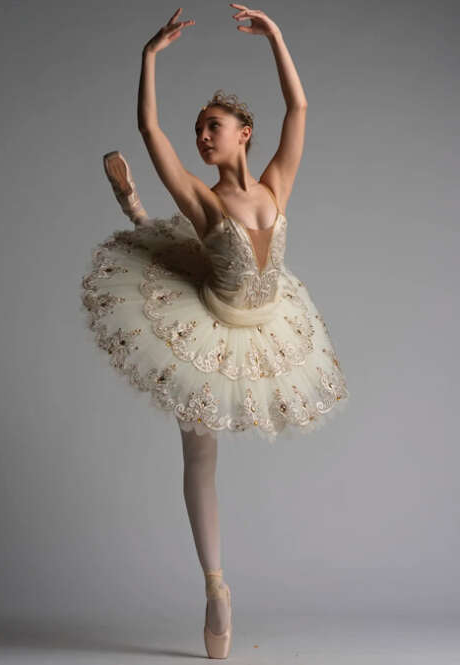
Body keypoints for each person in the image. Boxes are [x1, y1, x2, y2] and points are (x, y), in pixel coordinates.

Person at [80, 6, 350, 659]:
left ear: (243, 135)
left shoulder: (277, 185)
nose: (202, 136)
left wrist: (277, 37)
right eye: (199, 129)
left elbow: (301, 108)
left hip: (267, 323)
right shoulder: (203, 201)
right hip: (208, 325)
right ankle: (216, 588)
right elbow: (150, 128)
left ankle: (136, 209)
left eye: (213, 127)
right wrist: (150, 55)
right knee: (201, 457)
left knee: (214, 448)